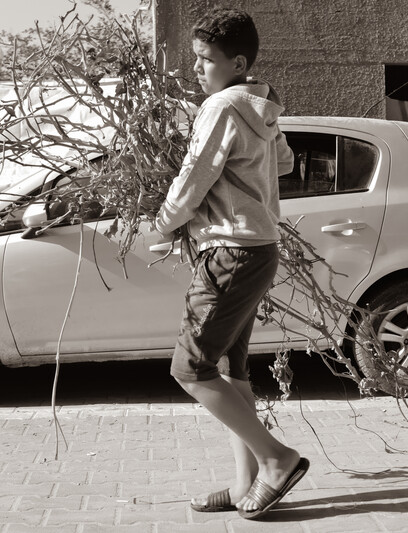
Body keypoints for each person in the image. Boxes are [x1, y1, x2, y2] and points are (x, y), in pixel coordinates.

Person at [154, 7, 309, 521]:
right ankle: (246, 483)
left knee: (190, 367)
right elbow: (284, 162)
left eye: (206, 59)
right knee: (229, 369)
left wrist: (162, 223)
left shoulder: (221, 107)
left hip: (230, 252)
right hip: (258, 251)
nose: (197, 68)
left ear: (236, 61)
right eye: (195, 58)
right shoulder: (261, 104)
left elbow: (193, 179)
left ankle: (276, 459)